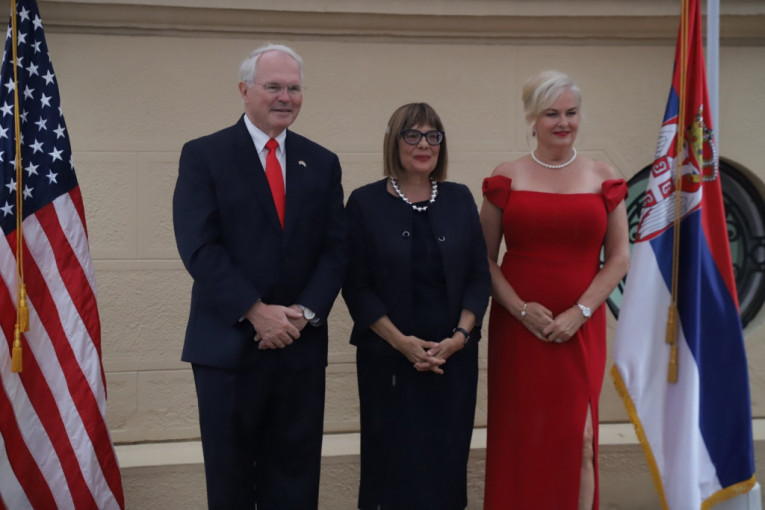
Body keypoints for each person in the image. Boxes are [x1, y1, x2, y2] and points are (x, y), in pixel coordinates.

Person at [172, 43, 347, 509]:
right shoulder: (204, 155)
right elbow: (199, 246)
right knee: (230, 486)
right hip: (227, 350)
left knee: (294, 486)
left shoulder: (322, 162)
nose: (285, 97)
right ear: (244, 90)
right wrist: (255, 311)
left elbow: (336, 249)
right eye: (273, 86)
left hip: (299, 348)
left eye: (294, 88)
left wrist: (301, 314)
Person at [480, 70, 630, 510]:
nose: (563, 122)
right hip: (518, 328)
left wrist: (579, 312)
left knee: (580, 440)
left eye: (571, 112)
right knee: (522, 437)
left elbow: (619, 258)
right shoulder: (506, 176)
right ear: (532, 118)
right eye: (551, 114)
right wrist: (520, 309)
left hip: (580, 328)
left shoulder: (604, 176)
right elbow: (483, 259)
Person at [342, 103, 491, 510]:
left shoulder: (460, 198)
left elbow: (479, 277)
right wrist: (401, 343)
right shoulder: (364, 203)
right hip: (388, 362)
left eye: (432, 136)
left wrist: (460, 337)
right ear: (395, 142)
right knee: (391, 468)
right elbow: (356, 286)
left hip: (453, 360)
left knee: (446, 465)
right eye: (412, 135)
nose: (424, 144)